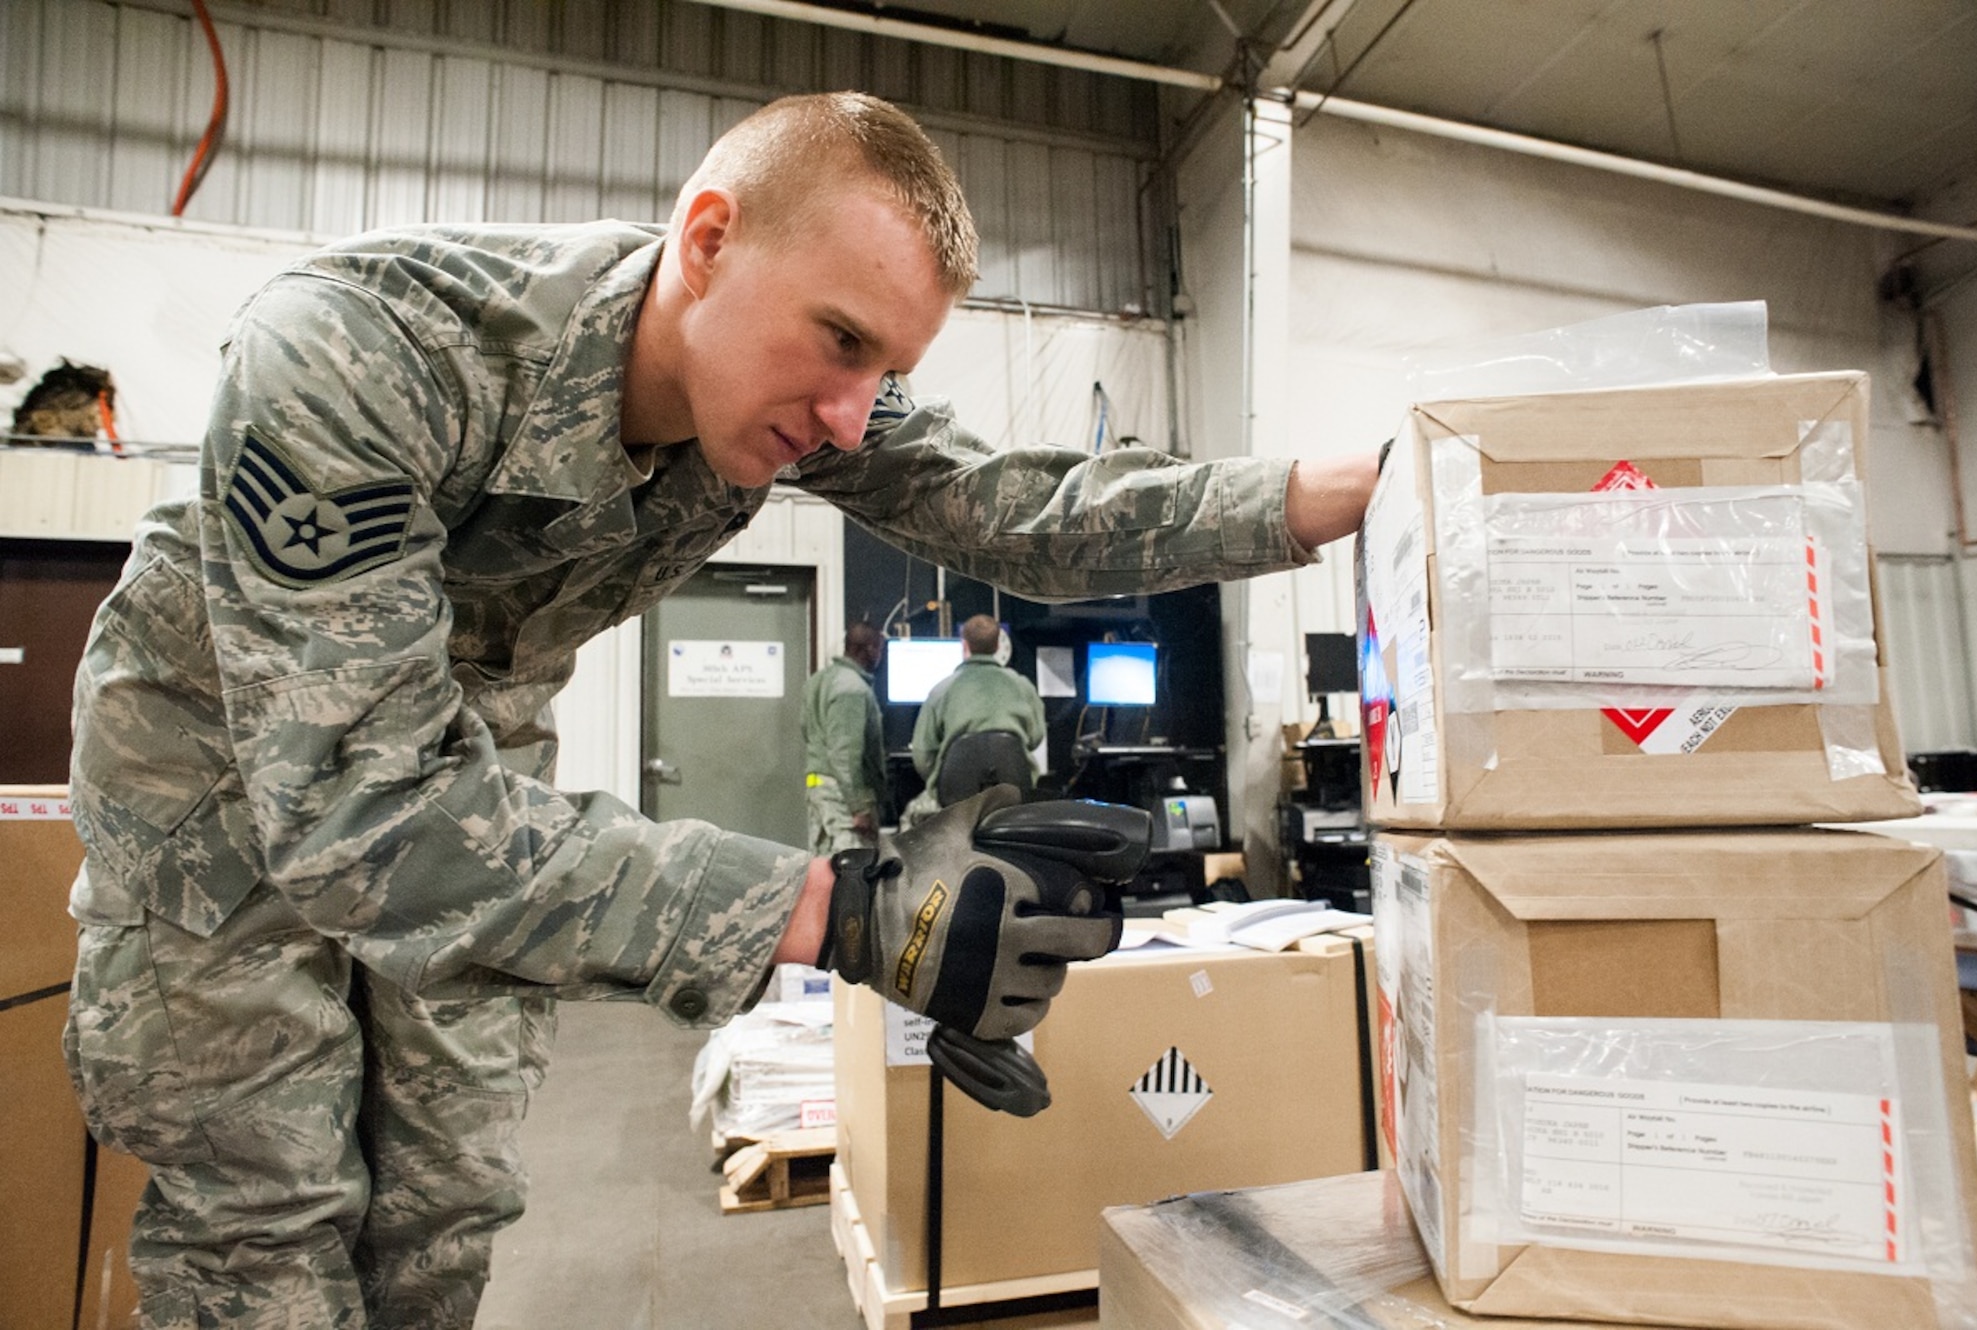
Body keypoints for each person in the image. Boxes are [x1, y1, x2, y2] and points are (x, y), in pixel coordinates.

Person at [63, 90, 1378, 1329]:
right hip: (223, 785)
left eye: (889, 369)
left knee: (440, 1202)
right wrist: (842, 913)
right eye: (842, 343)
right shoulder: (362, 348)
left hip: (477, 766)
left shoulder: (802, 393)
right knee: (268, 1222)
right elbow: (363, 805)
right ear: (707, 241)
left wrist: (1330, 491)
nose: (853, 416)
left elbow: (1014, 503)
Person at [907, 614, 1044, 821]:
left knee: (911, 816)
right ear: (998, 645)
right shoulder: (1023, 686)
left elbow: (922, 754)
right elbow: (1035, 737)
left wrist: (941, 776)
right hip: (1014, 795)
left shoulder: (942, 690)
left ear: (965, 645)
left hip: (955, 800)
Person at [802, 620, 889, 854]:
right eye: (880, 648)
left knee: (823, 869)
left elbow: (806, 729)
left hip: (818, 789)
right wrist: (858, 807)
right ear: (869, 649)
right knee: (851, 871)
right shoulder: (852, 689)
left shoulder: (817, 681)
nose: (880, 656)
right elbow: (845, 755)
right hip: (842, 797)